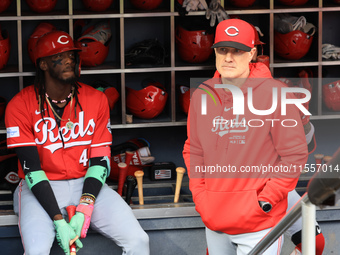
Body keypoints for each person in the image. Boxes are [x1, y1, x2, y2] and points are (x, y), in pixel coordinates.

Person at [5, 30, 150, 255]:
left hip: (87, 183)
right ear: (43, 64)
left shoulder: (96, 99)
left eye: (71, 56)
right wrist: (58, 220)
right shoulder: (20, 105)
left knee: (139, 240)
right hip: (39, 188)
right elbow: (31, 169)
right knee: (37, 251)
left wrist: (85, 205)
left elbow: (100, 160)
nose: (68, 61)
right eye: (59, 57)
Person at [183, 18, 309, 254]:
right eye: (222, 50)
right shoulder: (202, 95)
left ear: (251, 54)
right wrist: (200, 196)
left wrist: (266, 200)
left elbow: (294, 155)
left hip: (258, 224)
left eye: (237, 51)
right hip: (215, 221)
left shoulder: (275, 94)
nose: (228, 58)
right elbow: (194, 150)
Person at [250, 22, 325, 255]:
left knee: (314, 244)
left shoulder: (275, 92)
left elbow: (305, 147)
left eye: (253, 52)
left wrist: (300, 119)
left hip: (276, 186)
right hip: (243, 192)